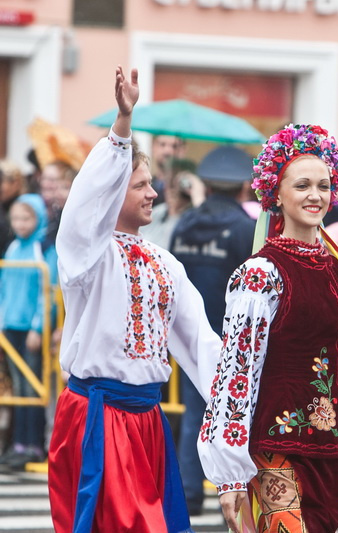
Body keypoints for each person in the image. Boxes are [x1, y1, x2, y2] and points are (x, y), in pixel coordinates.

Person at [197, 123, 338, 533]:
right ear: (275, 194)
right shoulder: (260, 274)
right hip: (274, 446)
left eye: (323, 185)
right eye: (302, 185)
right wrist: (228, 471)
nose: (315, 195)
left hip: (332, 451)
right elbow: (237, 372)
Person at [47, 66, 222, 533]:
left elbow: (201, 344)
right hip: (97, 417)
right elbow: (84, 208)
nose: (154, 192)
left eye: (151, 183)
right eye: (140, 185)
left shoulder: (167, 263)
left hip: (146, 419)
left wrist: (243, 406)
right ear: (112, 192)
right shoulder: (88, 255)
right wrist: (123, 127)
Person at [169, 144, 257, 516]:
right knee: (237, 419)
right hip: (235, 336)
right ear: (243, 187)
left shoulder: (184, 224)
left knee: (195, 415)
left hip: (191, 335)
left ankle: (190, 493)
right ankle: (235, 497)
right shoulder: (245, 228)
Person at [0, 194, 58, 469]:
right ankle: (18, 443)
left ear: (38, 219)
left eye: (26, 218)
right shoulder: (12, 248)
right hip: (10, 326)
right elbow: (4, 287)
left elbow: (48, 292)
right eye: (16, 219)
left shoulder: (44, 248)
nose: (20, 224)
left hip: (32, 330)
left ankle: (32, 444)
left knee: (34, 387)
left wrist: (38, 326)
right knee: (19, 388)